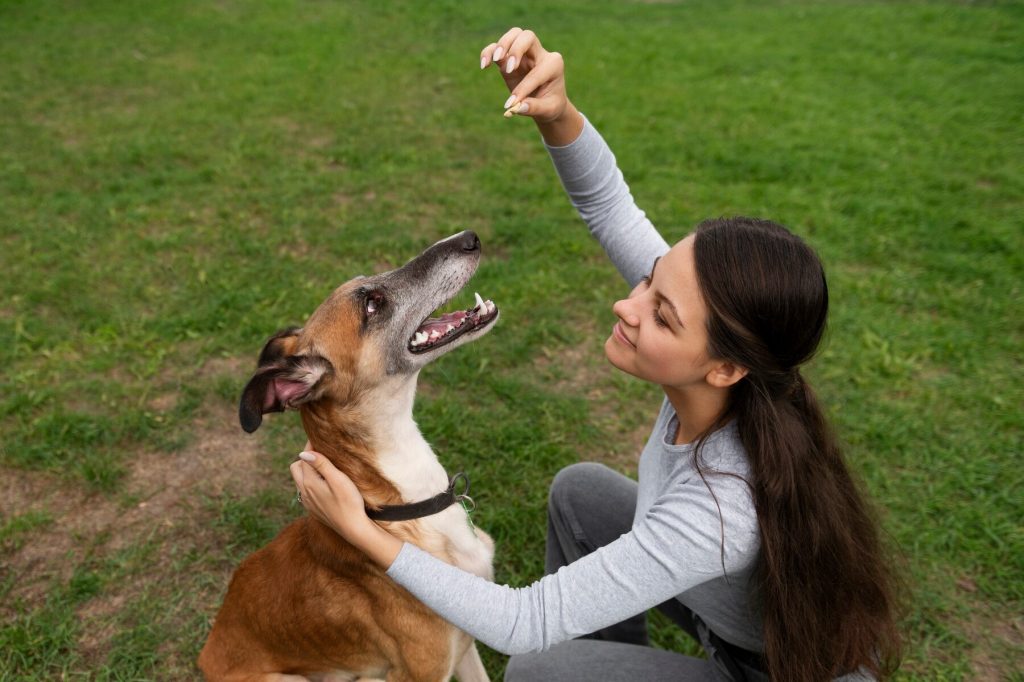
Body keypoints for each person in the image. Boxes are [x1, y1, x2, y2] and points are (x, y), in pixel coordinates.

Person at [290, 28, 901, 682]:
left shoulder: (719, 510)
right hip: (727, 620)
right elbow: (608, 206)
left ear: (724, 367)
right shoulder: (727, 353)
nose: (627, 304)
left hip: (771, 671)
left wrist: (364, 533)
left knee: (537, 669)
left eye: (660, 314)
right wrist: (559, 111)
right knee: (580, 496)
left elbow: (520, 621)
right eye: (652, 277)